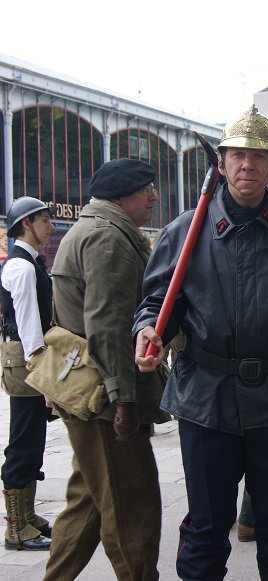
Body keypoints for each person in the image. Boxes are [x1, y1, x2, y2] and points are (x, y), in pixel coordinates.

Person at [134, 105, 268, 581]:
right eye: (237, 155)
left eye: (258, 156)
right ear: (222, 162)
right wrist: (149, 333)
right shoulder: (184, 231)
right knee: (206, 529)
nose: (247, 164)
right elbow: (156, 305)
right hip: (206, 399)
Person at [43, 159, 169, 580]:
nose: (153, 197)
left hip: (90, 394)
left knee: (90, 504)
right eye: (145, 189)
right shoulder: (108, 238)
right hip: (104, 399)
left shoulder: (96, 230)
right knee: (133, 509)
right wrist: (125, 400)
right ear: (120, 195)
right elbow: (109, 326)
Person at [1, 197, 55, 551]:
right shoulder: (21, 267)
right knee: (23, 442)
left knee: (32, 438)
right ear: (26, 225)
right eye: (44, 220)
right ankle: (16, 528)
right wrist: (45, 376)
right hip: (27, 361)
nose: (50, 226)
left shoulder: (29, 263)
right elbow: (28, 325)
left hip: (27, 360)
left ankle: (27, 515)